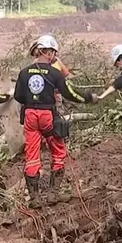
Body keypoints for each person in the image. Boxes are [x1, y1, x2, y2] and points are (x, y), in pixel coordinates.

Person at [14, 34, 97, 208]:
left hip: (30, 115)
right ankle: (53, 194)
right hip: (47, 115)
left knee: (32, 154)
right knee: (58, 151)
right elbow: (70, 94)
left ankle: (35, 198)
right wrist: (88, 98)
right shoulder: (54, 73)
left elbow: (18, 96)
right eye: (54, 52)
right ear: (49, 52)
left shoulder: (24, 72)